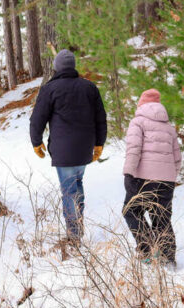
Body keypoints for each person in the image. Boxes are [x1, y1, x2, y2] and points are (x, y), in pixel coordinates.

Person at [30, 49, 107, 244]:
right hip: (84, 149)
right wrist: (99, 144)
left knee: (70, 191)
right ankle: (77, 227)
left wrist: (36, 141)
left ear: (56, 68)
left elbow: (37, 118)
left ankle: (74, 235)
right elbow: (101, 119)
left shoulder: (50, 89)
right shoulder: (89, 88)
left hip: (64, 151)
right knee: (76, 185)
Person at [122, 89, 181, 267]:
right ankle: (168, 258)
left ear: (141, 104)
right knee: (161, 217)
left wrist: (128, 173)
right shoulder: (169, 128)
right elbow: (177, 157)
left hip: (143, 178)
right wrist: (170, 176)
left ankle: (147, 250)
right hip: (166, 180)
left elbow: (134, 149)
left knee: (131, 211)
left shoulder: (137, 122)